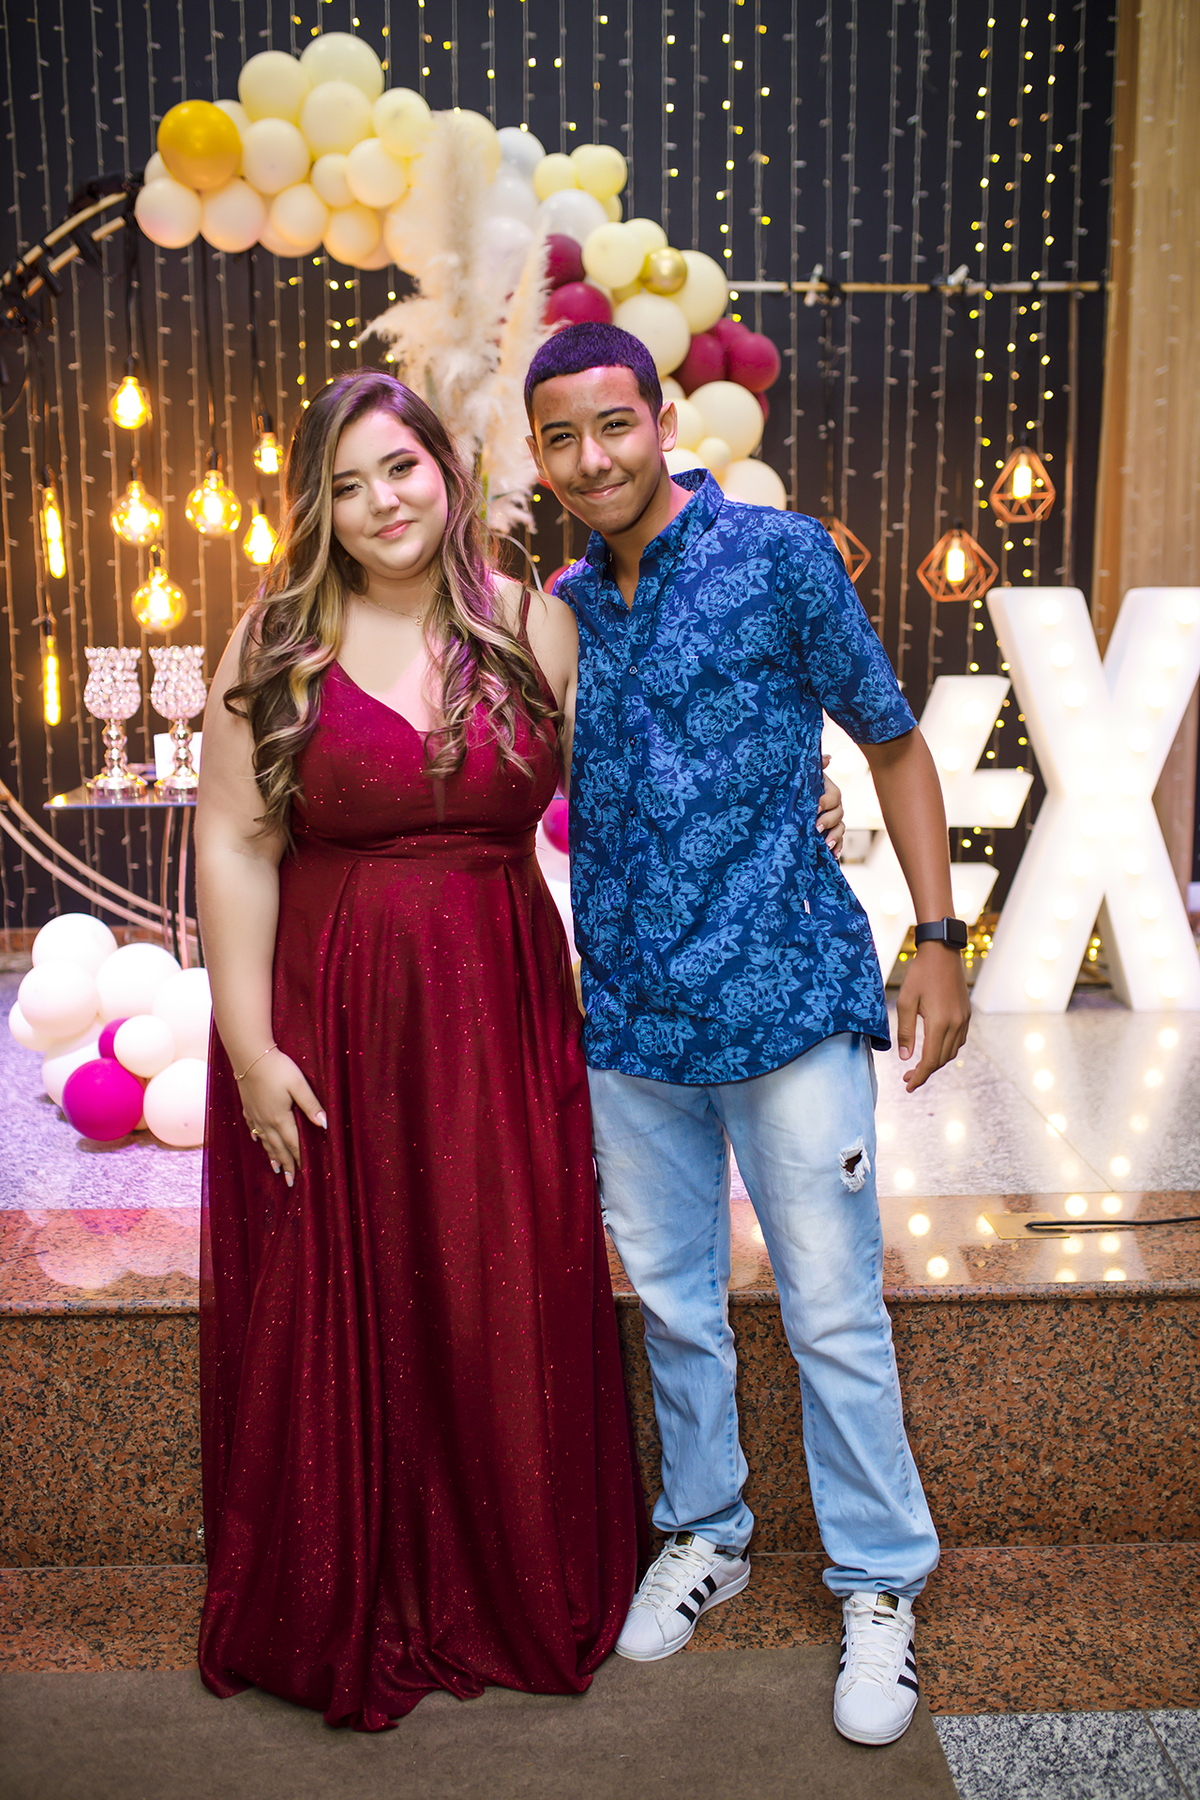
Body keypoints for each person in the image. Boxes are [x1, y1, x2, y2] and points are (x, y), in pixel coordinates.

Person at [524, 322, 972, 1748]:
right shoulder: (563, 611)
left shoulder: (777, 557)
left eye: (614, 423)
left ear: (662, 421)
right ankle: (707, 1530)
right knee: (673, 1308)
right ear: (538, 458)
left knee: (832, 1310)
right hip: (632, 1025)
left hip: (786, 1001)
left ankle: (880, 1583)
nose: (593, 456)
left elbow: (890, 738)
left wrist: (940, 937)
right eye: (560, 437)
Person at [194, 368, 648, 1731]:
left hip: (502, 1011)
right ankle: (362, 1582)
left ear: (447, 472)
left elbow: (628, 796)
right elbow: (235, 843)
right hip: (333, 1015)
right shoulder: (275, 641)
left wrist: (793, 804)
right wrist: (250, 1046)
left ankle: (508, 1573)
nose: (380, 502)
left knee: (501, 1274)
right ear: (317, 509)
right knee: (350, 1289)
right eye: (345, 485)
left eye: (399, 467)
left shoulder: (532, 623)